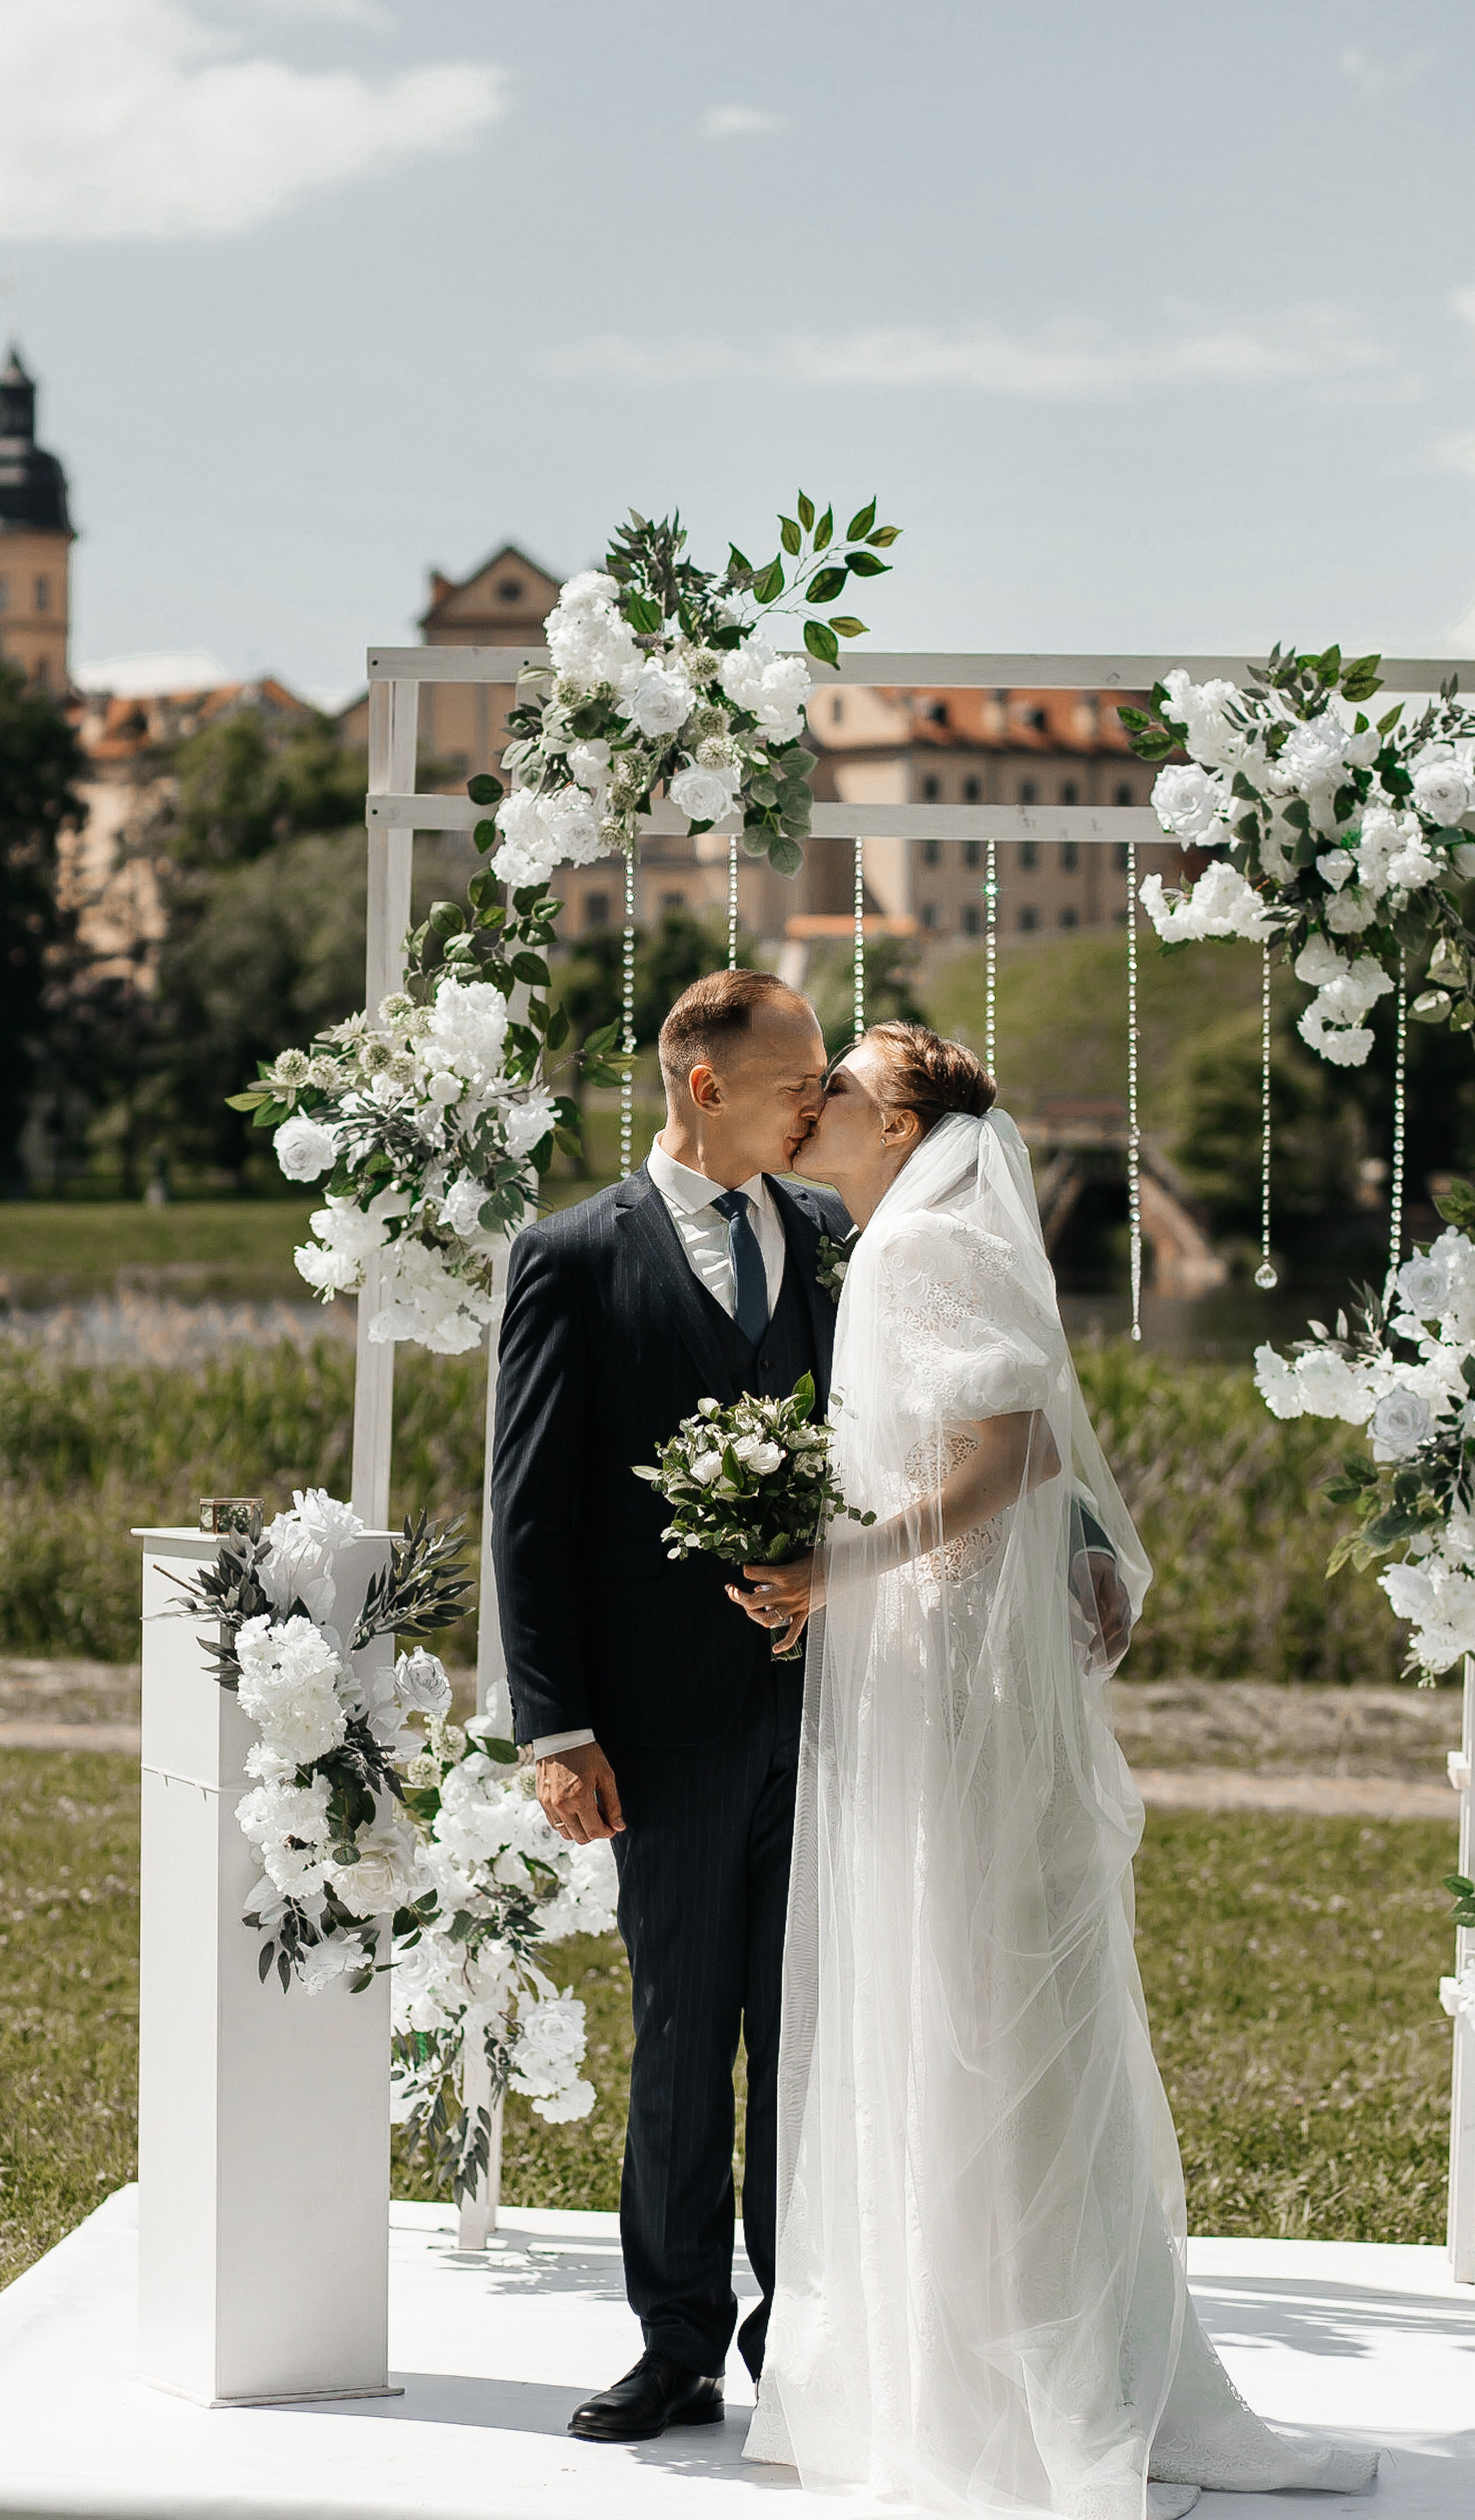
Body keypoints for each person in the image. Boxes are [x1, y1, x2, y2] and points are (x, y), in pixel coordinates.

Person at [734, 1022, 1379, 2520]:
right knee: (946, 1987)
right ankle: (973, 2352)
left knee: (960, 1994)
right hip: (942, 1658)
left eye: (846, 1082)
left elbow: (1014, 1452)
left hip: (946, 1675)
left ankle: (996, 2379)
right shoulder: (907, 1235)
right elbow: (1040, 1469)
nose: (817, 1094)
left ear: (899, 1128)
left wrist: (841, 1566)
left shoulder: (917, 1248)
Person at [490, 968, 853, 2444]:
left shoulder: (826, 1235)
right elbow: (527, 1509)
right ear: (702, 1086)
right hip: (658, 1729)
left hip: (833, 1716)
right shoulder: (571, 1256)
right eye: (794, 1085)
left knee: (810, 2031)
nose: (817, 1107)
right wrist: (552, 1725)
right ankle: (674, 2339)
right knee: (679, 2027)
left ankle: (800, 2332)